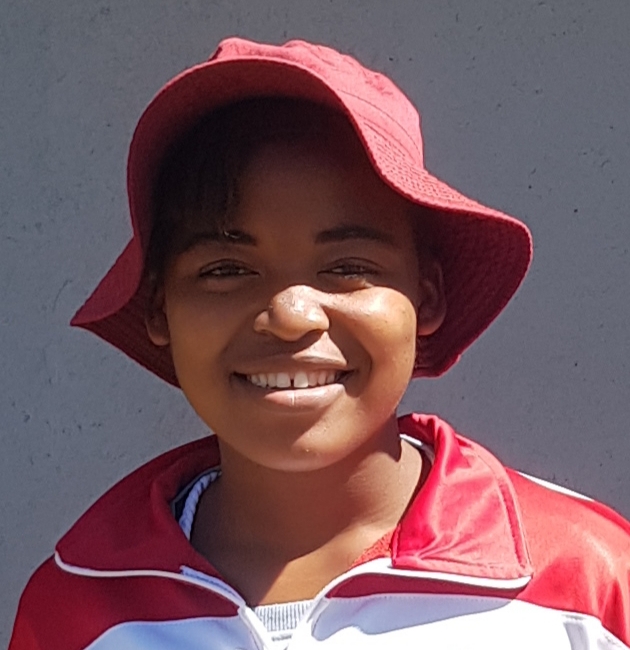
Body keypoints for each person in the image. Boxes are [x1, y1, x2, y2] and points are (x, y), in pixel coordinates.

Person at [9, 37, 630, 650]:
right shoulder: (74, 613)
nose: (291, 316)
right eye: (226, 269)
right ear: (158, 306)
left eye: (348, 266)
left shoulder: (586, 588)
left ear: (426, 296)